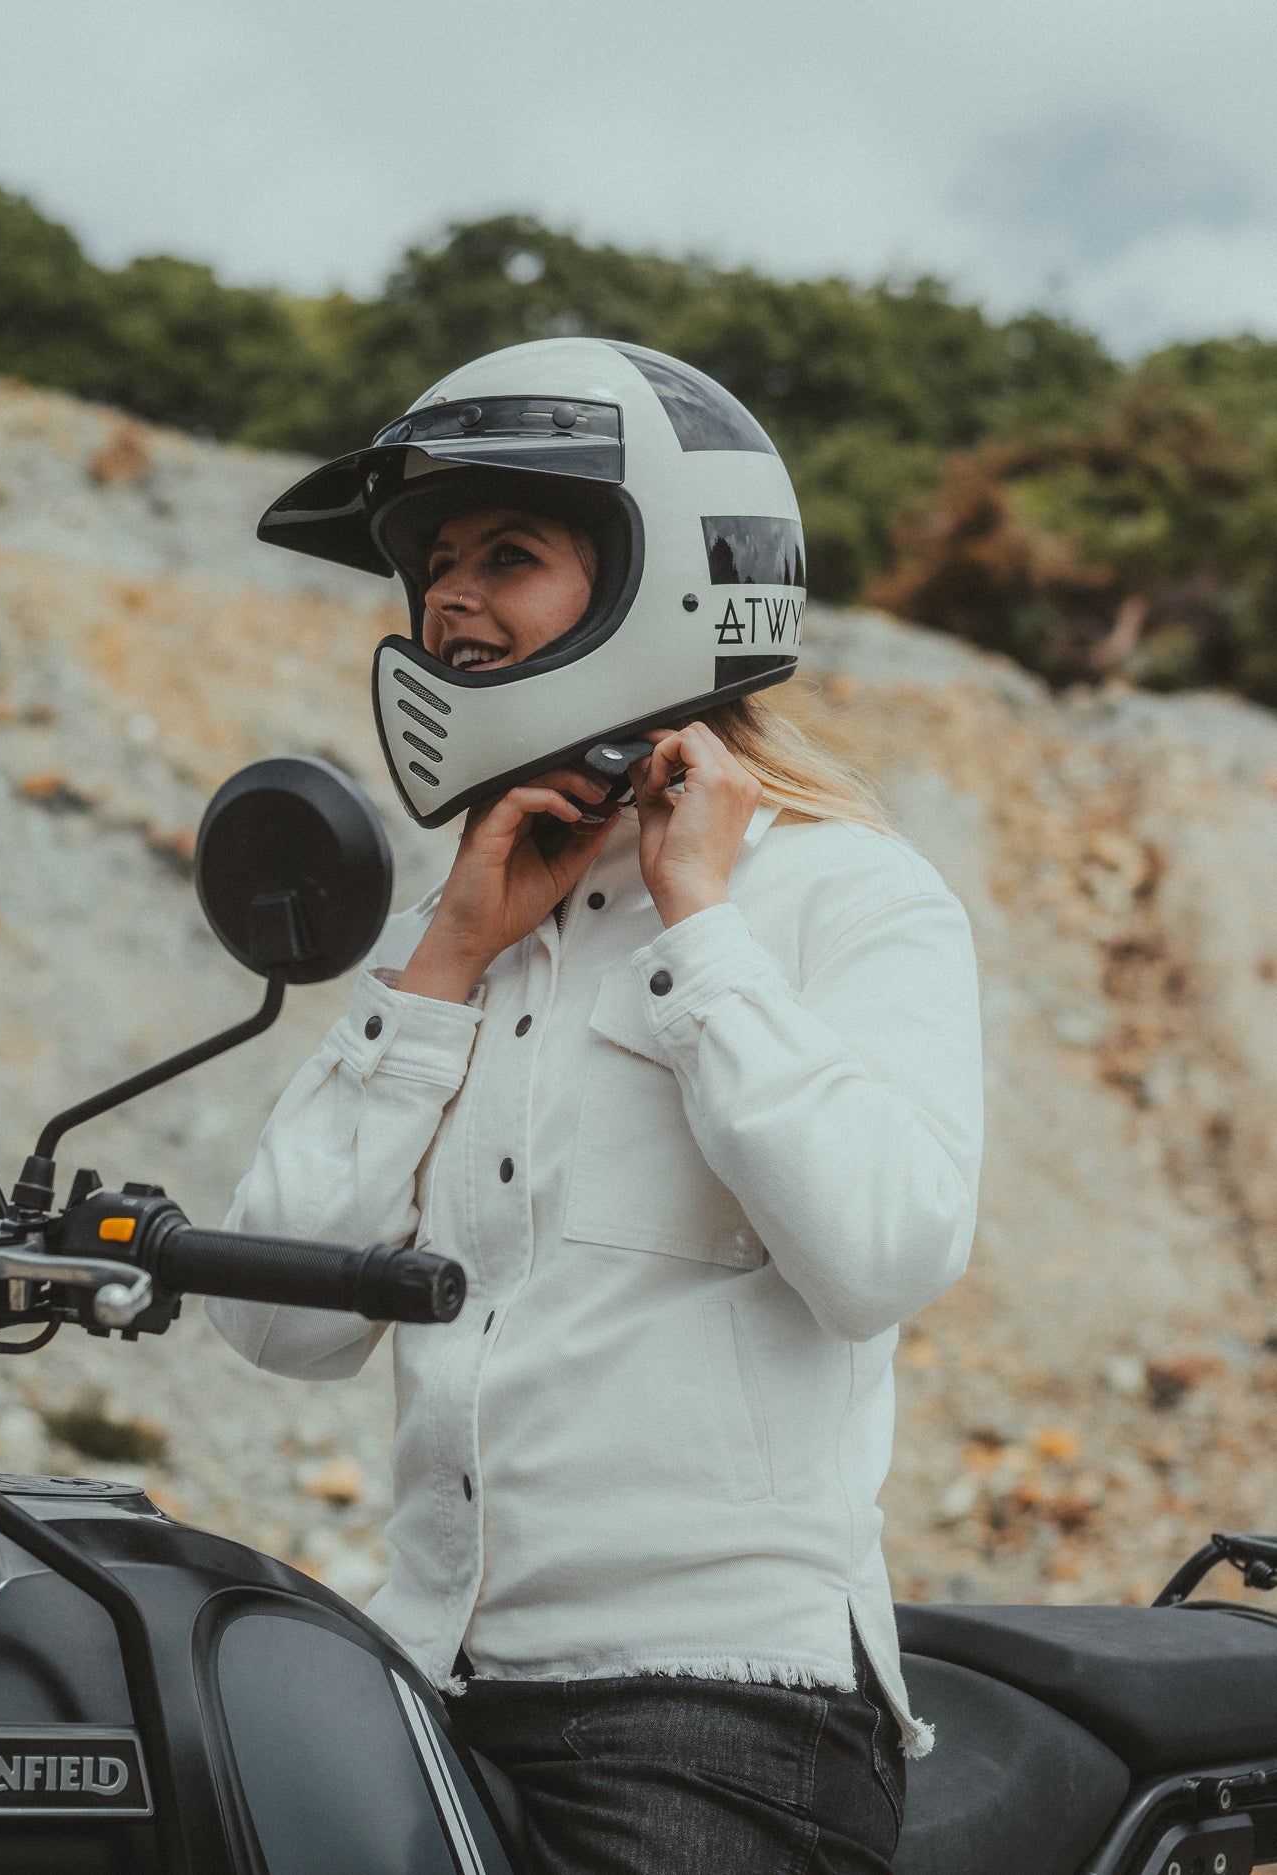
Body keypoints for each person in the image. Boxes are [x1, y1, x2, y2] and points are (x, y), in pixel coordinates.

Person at [209, 339, 984, 1873]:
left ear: (667, 580)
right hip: (421, 1677)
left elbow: (889, 1250)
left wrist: (701, 934)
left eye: (511, 554)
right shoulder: (476, 923)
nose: (448, 605)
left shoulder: (846, 895)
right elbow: (278, 1322)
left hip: (716, 1711)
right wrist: (441, 960)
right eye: (432, 566)